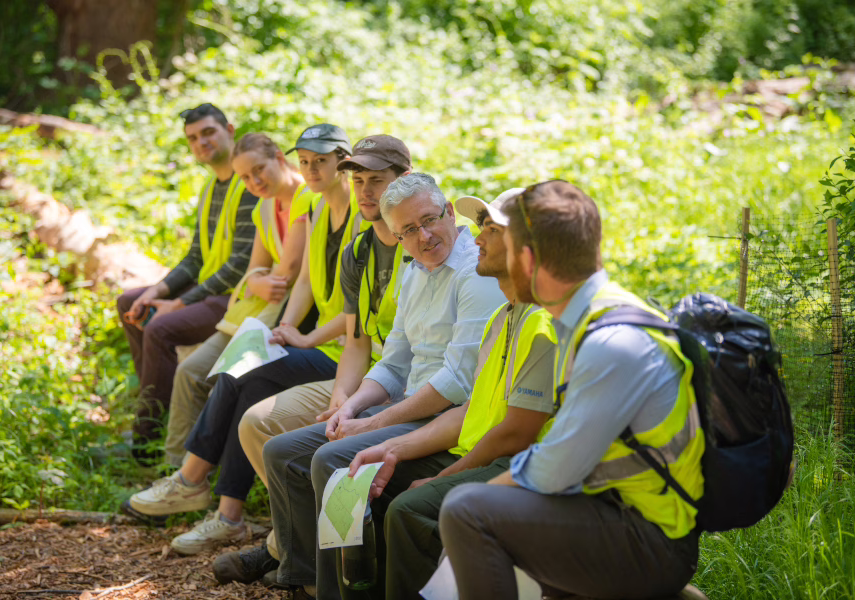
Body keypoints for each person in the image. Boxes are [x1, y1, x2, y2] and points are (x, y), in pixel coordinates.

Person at [438, 180, 706, 600]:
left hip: (649, 538)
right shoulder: (586, 318)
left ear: (525, 260)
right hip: (609, 510)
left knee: (466, 511)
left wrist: (481, 495)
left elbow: (554, 469)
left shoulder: (610, 343)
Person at [261, 173, 506, 598]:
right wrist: (351, 407)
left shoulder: (475, 272)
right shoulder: (413, 273)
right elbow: (393, 362)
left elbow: (457, 383)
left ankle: (350, 590)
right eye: (408, 230)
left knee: (332, 460)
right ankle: (308, 580)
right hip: (408, 406)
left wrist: (375, 424)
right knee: (281, 451)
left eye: (429, 220)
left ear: (450, 212)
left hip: (446, 417)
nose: (424, 236)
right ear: (395, 236)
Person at [123, 124, 363, 555]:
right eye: (306, 161)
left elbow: (358, 313)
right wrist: (283, 331)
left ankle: (192, 480)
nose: (311, 170)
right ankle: (228, 515)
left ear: (343, 164)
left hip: (349, 353)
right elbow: (305, 280)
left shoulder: (361, 219)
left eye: (320, 162)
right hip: (318, 342)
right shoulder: (321, 209)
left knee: (243, 368)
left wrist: (303, 338)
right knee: (248, 372)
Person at [211, 134, 413, 585]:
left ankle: (284, 552)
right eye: (359, 180)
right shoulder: (359, 249)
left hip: (403, 388)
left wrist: (354, 402)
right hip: (366, 377)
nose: (365, 192)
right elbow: (358, 341)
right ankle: (294, 543)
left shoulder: (419, 244)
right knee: (256, 422)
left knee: (312, 441)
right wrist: (342, 396)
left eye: (377, 181)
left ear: (406, 181)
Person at [344, 188, 557, 599]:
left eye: (489, 231)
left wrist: (442, 476)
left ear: (524, 247)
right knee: (366, 478)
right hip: (477, 449)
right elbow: (475, 409)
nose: (475, 238)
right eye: (480, 228)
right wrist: (395, 448)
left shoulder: (541, 323)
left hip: (520, 463)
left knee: (409, 510)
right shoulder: (503, 315)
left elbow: (516, 435)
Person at [163, 132, 319, 467]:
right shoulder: (266, 206)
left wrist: (261, 280)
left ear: (279, 157)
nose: (254, 181)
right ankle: (175, 465)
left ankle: (194, 474)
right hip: (254, 311)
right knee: (190, 371)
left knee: (226, 376)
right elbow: (256, 274)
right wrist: (259, 282)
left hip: (285, 316)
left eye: (259, 170)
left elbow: (288, 272)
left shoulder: (307, 198)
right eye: (245, 177)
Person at [116, 103, 258, 460]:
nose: (201, 143)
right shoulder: (212, 187)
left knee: (160, 328)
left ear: (229, 129)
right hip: (211, 292)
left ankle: (144, 444)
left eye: (208, 132)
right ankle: (156, 412)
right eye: (193, 138)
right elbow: (196, 256)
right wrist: (156, 291)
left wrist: (179, 303)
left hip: (237, 298)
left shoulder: (251, 183)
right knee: (130, 304)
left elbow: (240, 264)